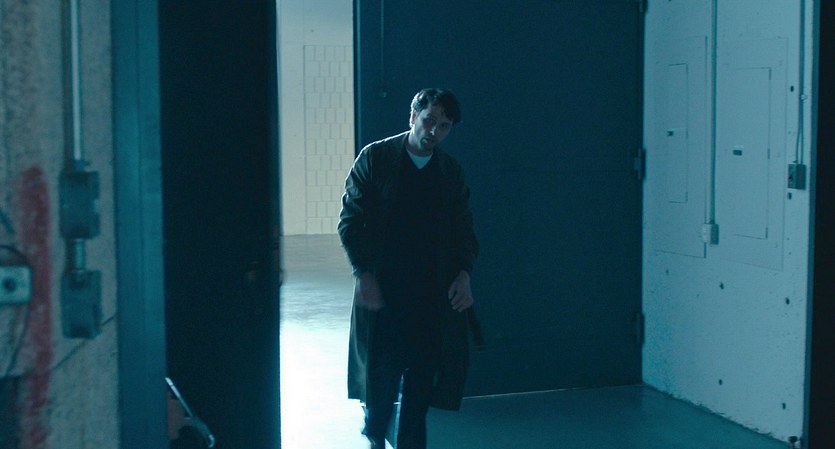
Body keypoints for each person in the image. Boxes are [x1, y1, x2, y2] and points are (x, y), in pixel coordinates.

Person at [338, 88, 478, 449]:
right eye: (429, 120)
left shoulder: (449, 171)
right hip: (385, 288)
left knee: (421, 379)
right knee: (382, 377)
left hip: (431, 291)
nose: (434, 131)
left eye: (444, 126)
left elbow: (463, 229)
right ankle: (375, 432)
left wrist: (463, 274)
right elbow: (351, 221)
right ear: (413, 116)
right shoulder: (377, 158)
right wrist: (363, 272)